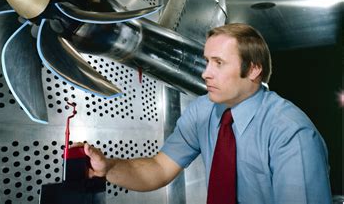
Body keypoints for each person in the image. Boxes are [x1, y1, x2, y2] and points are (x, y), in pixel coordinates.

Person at [83, 23, 332, 203]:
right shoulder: (203, 110)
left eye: (219, 63)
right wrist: (109, 168)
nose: (205, 73)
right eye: (207, 61)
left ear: (254, 70)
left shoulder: (290, 132)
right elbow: (159, 168)